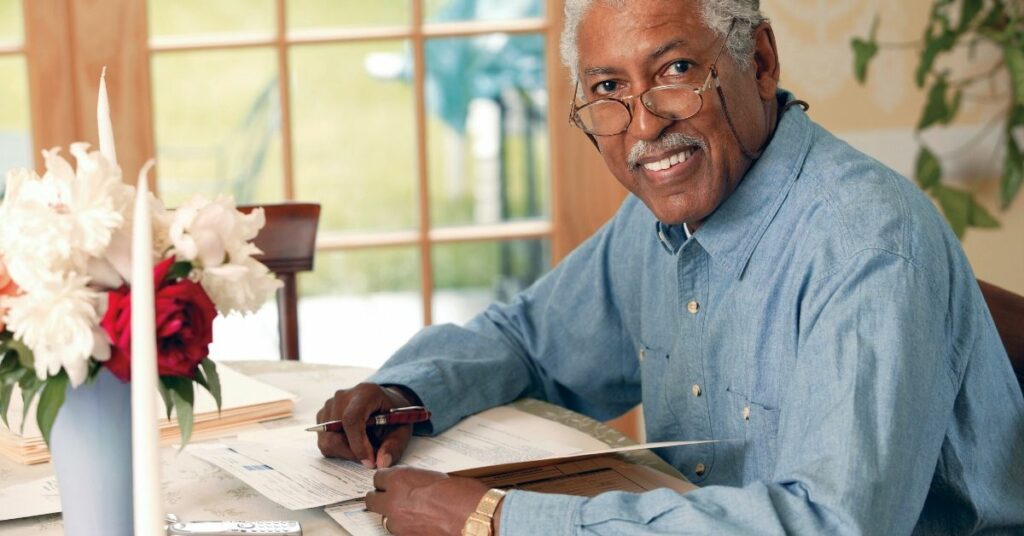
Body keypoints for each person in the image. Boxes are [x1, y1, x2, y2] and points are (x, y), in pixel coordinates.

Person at [317, 0, 1024, 534]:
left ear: (761, 61)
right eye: (606, 89)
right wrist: (403, 389)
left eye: (675, 71)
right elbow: (530, 341)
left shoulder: (867, 243)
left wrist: (498, 520)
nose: (645, 124)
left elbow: (833, 525)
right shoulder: (665, 212)